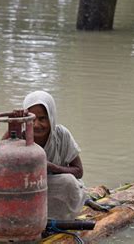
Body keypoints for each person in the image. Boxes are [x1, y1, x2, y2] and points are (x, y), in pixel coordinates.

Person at [22, 91, 87, 220]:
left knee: (69, 182)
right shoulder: (19, 135)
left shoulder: (61, 134)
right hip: (27, 191)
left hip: (55, 191)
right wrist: (14, 123)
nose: (36, 125)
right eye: (32, 119)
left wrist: (52, 167)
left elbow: (79, 172)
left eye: (42, 119)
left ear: (51, 117)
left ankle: (57, 219)